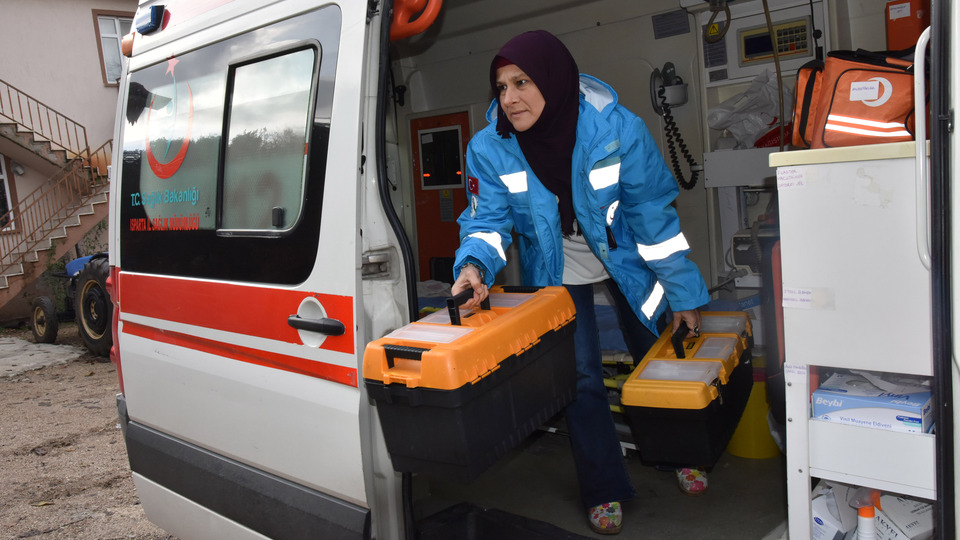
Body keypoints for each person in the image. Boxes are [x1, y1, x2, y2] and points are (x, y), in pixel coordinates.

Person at [450, 30, 710, 535]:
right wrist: (472, 267)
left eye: (522, 82)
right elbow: (487, 222)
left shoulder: (617, 130)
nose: (510, 98)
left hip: (627, 260)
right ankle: (604, 487)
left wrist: (682, 295)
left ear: (553, 79)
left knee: (661, 358)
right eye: (500, 87)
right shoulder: (490, 148)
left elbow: (653, 217)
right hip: (556, 270)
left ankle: (680, 453)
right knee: (582, 377)